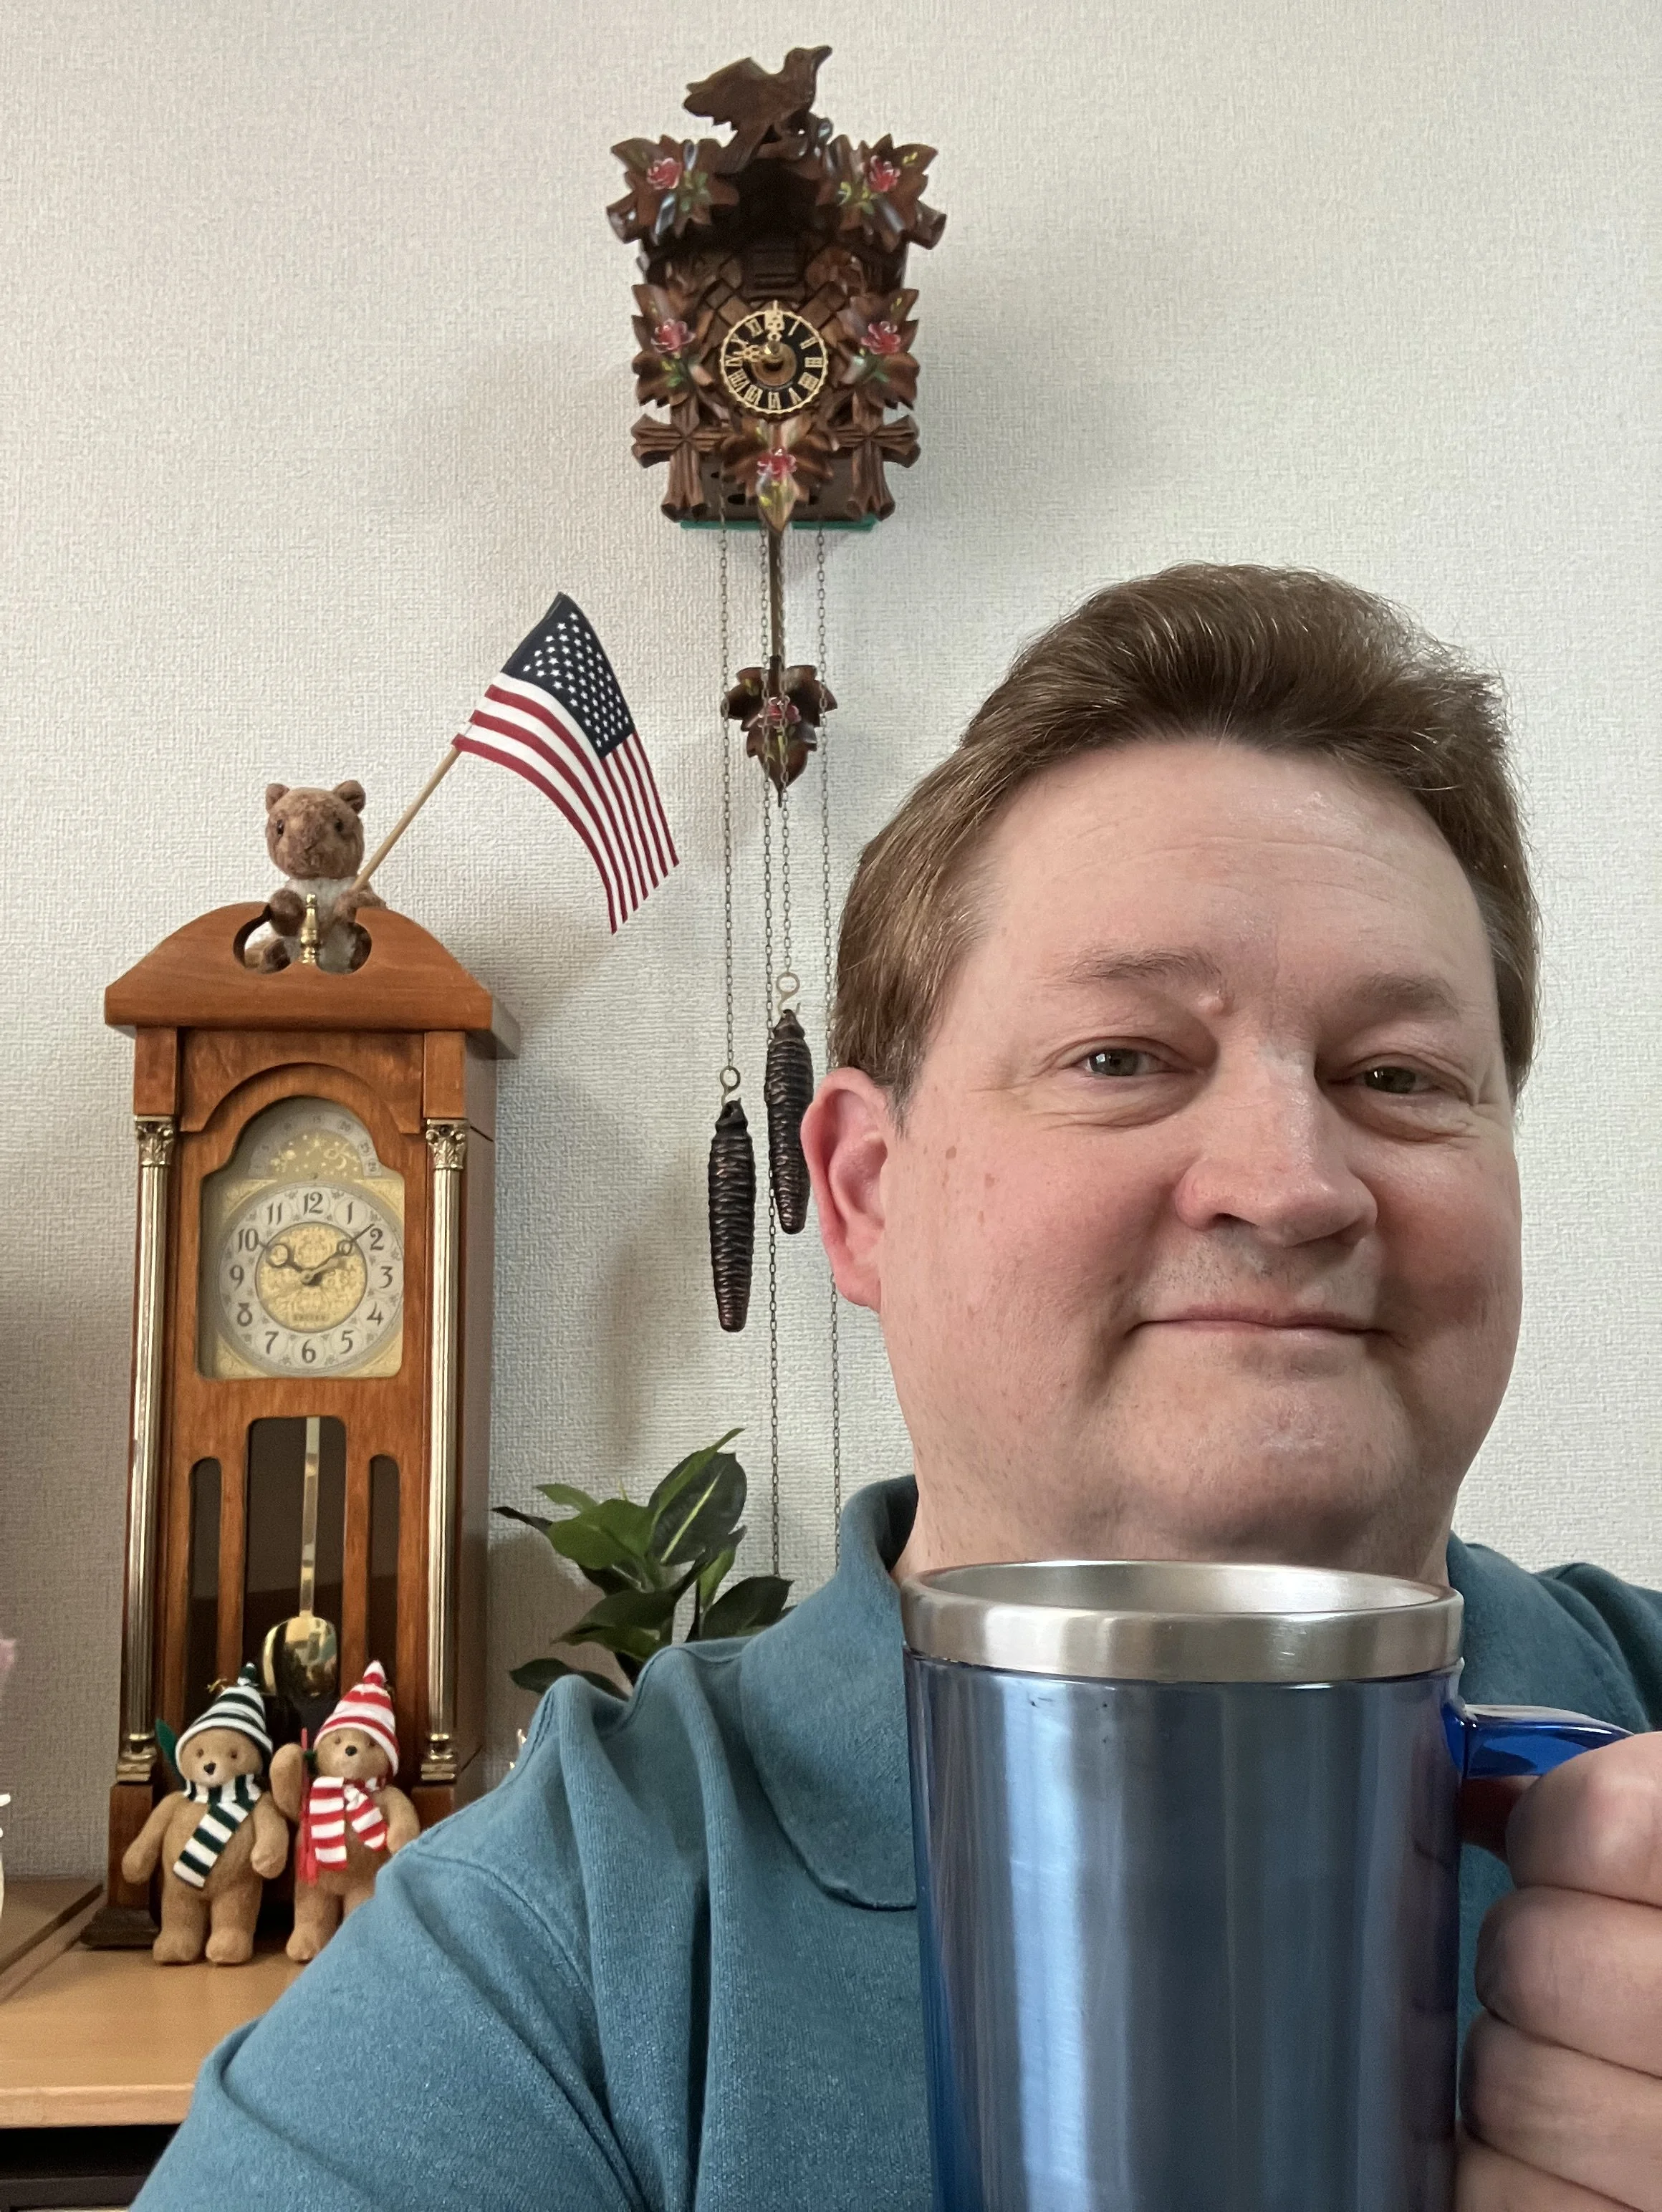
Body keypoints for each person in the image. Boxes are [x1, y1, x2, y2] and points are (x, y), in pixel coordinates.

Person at [140, 567, 1661, 2211]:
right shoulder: (540, 1957)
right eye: (1123, 1057)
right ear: (863, 1193)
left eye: (1396, 1076)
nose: (1288, 1183)